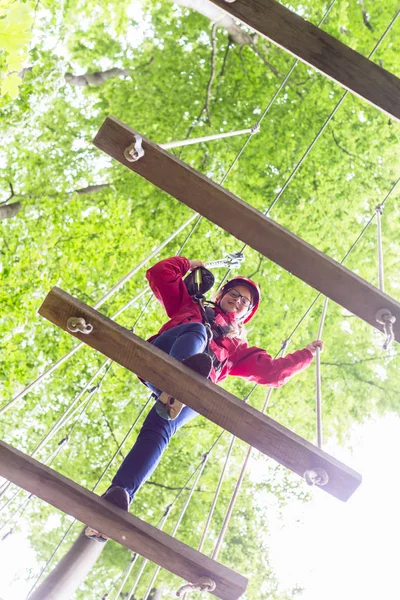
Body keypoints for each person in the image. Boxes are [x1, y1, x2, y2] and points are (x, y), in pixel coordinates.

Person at [86, 256, 323, 541]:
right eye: (234, 294)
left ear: (246, 313)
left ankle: (121, 492)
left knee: (161, 427)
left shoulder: (237, 349)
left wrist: (306, 354)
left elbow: (271, 372)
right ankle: (182, 374)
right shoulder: (191, 305)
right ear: (221, 294)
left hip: (189, 393)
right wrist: (190, 263)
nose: (237, 301)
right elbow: (159, 274)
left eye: (244, 302)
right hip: (161, 359)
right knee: (197, 329)